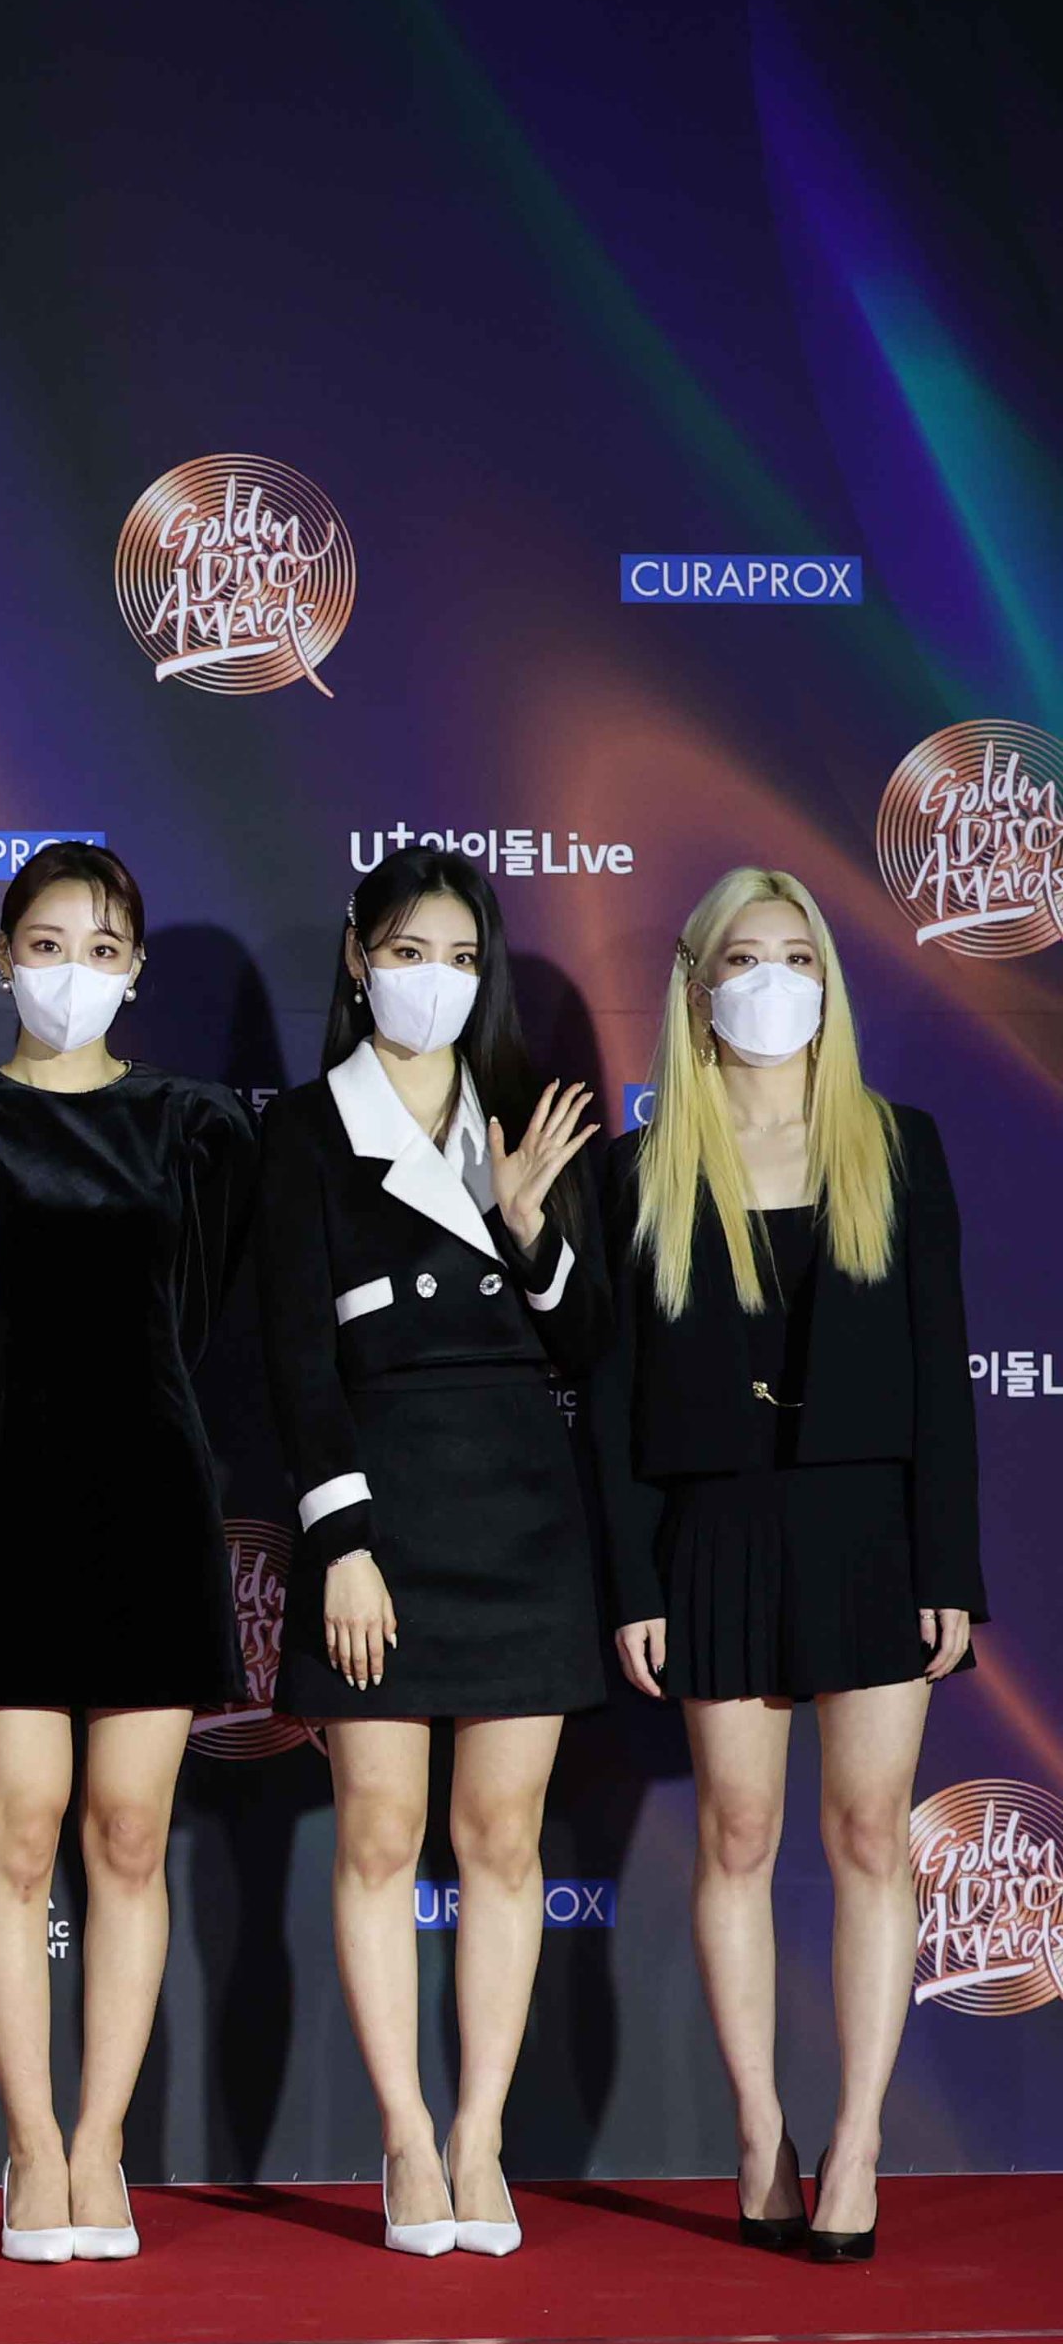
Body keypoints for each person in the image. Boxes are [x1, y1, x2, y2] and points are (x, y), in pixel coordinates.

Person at [0, 839, 254, 2263]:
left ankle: (103, 2148)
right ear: (2, 958)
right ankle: (31, 2151)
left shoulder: (196, 1123)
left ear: (134, 969)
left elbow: (196, 1323)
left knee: (132, 1833)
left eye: (99, 947)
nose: (71, 969)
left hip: (149, 1491)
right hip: (10, 1498)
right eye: (46, 943)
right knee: (19, 1828)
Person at [592, 868, 977, 2264]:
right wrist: (638, 1582)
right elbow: (615, 1400)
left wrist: (950, 1568)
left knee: (871, 1833)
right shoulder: (642, 1169)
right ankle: (761, 2132)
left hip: (870, 1530)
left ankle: (858, 2139)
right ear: (698, 988)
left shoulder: (896, 1144)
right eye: (745, 958)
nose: (773, 981)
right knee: (738, 1835)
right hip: (716, 1533)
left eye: (797, 957)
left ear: (830, 982)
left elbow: (940, 1375)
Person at [249, 848, 607, 2258]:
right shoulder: (302, 1130)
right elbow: (295, 1359)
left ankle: (481, 2138)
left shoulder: (527, 1114)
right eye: (407, 952)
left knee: (504, 1837)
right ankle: (405, 2134)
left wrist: (529, 1229)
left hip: (523, 1513)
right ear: (357, 957)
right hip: (381, 1517)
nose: (433, 981)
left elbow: (588, 1343)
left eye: (459, 957)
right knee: (382, 1832)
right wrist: (341, 1544)